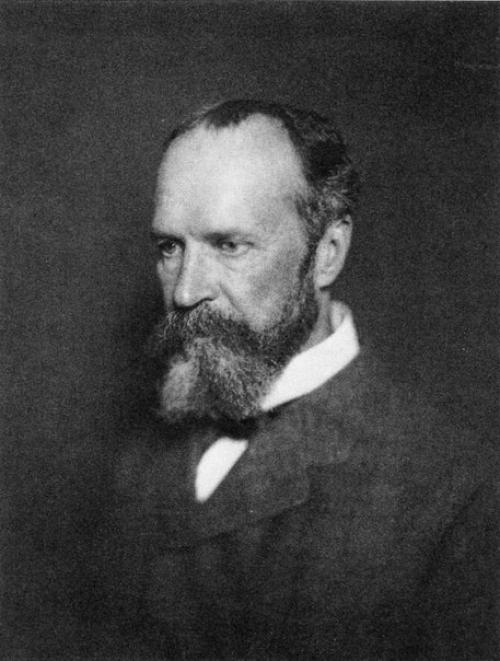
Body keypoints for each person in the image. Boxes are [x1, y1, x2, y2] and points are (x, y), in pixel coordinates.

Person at [92, 100, 496, 659]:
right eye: (170, 247)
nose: (185, 291)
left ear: (327, 253)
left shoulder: (456, 493)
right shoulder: (136, 460)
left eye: (229, 246)